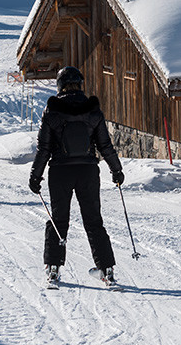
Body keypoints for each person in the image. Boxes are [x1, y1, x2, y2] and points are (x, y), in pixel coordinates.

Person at [30, 66, 125, 288]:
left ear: (60, 86)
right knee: (93, 221)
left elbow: (43, 148)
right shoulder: (93, 111)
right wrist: (116, 170)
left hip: (60, 172)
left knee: (58, 219)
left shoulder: (52, 111)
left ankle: (53, 270)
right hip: (88, 171)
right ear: (80, 85)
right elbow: (105, 145)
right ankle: (106, 270)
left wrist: (36, 175)